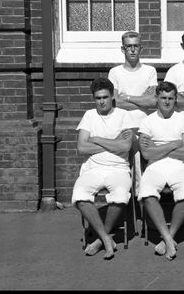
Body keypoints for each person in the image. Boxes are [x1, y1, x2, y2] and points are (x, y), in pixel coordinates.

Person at [71, 78, 137, 260]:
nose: (101, 101)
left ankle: (101, 239)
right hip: (93, 168)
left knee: (121, 196)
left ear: (112, 96)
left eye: (105, 97)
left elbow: (125, 147)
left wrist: (97, 139)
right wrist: (114, 142)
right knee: (80, 195)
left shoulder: (124, 115)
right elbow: (82, 147)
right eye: (98, 98)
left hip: (119, 169)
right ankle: (107, 239)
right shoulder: (89, 115)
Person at [137, 81, 184, 261]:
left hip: (178, 165)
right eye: (163, 98)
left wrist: (159, 147)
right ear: (156, 99)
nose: (167, 101)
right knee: (147, 193)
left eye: (171, 98)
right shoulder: (147, 121)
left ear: (176, 99)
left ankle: (167, 238)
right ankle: (169, 238)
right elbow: (146, 154)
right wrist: (173, 143)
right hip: (154, 166)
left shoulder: (183, 120)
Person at [108, 31, 158, 189]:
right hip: (122, 125)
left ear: (141, 48)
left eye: (136, 46)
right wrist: (141, 100)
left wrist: (127, 97)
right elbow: (114, 102)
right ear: (123, 49)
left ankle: (142, 201)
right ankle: (126, 200)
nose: (132, 50)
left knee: (143, 167)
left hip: (144, 125)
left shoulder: (150, 71)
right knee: (124, 167)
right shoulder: (115, 72)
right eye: (129, 46)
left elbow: (152, 101)